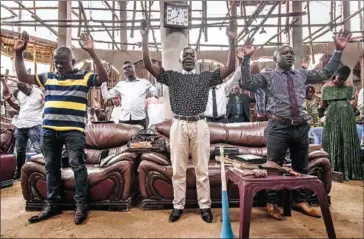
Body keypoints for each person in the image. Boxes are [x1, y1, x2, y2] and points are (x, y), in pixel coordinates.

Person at [239, 29, 351, 220]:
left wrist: (338, 51)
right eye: (285, 52)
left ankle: (299, 200)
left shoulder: (301, 74)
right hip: (278, 127)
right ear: (275, 57)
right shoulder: (268, 76)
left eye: (291, 52)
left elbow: (325, 72)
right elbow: (246, 83)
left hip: (300, 127)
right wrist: (246, 59)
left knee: (301, 167)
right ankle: (271, 202)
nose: (290, 54)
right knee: (274, 167)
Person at [141, 19, 236, 223]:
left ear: (196, 59)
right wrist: (145, 37)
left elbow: (229, 68)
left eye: (192, 55)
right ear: (181, 59)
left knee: (202, 169)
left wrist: (231, 43)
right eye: (186, 55)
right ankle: (178, 205)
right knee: (178, 169)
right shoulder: (172, 76)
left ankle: (205, 206)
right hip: (179, 125)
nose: (189, 57)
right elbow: (148, 65)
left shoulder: (205, 78)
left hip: (200, 125)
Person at [14, 31, 109, 224]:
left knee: (77, 166)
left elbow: (103, 78)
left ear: (72, 61)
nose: (58, 66)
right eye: (56, 62)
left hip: (73, 132)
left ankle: (81, 205)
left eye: (62, 62)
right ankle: (52, 204)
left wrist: (92, 52)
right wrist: (18, 54)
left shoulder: (84, 77)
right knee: (51, 167)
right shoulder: (48, 77)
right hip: (48, 130)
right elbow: (23, 75)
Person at [321, 66, 363, 180]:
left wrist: (351, 104)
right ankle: (333, 171)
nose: (341, 82)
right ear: (335, 75)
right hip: (332, 116)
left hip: (347, 116)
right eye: (339, 79)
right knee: (333, 139)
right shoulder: (326, 87)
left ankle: (349, 172)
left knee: (347, 140)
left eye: (343, 80)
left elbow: (352, 100)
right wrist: (334, 108)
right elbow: (323, 104)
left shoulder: (349, 86)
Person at [1, 76, 44, 179]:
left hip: (34, 126)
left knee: (39, 150)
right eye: (22, 90)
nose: (24, 92)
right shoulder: (20, 93)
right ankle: (19, 173)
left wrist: (45, 103)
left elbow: (46, 105)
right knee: (20, 151)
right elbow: (20, 108)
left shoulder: (39, 92)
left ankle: (43, 173)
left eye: (25, 89)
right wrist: (9, 101)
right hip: (20, 126)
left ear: (30, 84)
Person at [100, 61, 156, 128]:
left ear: (134, 69)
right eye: (124, 68)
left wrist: (158, 77)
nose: (127, 69)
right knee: (124, 139)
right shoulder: (121, 85)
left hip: (140, 119)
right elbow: (106, 96)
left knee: (140, 138)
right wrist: (104, 81)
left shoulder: (144, 83)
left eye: (129, 67)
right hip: (124, 119)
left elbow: (157, 93)